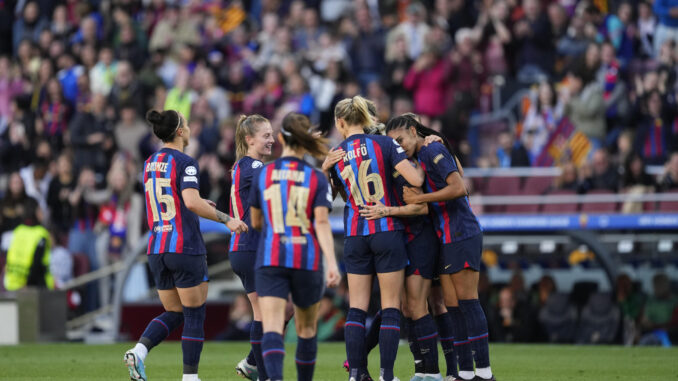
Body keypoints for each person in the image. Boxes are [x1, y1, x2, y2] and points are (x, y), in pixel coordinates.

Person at [124, 109, 247, 381]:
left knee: (174, 312)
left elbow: (174, 202)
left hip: (157, 247)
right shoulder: (186, 162)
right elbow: (190, 201)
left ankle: (139, 350)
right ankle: (190, 377)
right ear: (179, 131)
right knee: (193, 313)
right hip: (184, 246)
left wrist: (200, 206)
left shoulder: (149, 163)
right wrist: (227, 219)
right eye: (187, 124)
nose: (191, 128)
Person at [386, 115, 495, 381]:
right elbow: (458, 170)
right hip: (445, 235)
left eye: (400, 140)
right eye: (394, 145)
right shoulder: (424, 153)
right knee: (452, 305)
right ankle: (465, 373)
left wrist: (421, 197)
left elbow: (460, 187)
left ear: (414, 131)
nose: (399, 147)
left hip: (462, 231)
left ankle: (484, 372)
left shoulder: (432, 149)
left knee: (468, 302)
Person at [328, 95, 424, 381]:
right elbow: (417, 180)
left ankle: (356, 374)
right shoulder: (385, 144)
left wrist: (324, 168)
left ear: (340, 122)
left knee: (356, 308)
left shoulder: (336, 152)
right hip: (386, 229)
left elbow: (331, 197)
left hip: (355, 234)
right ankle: (386, 375)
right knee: (390, 306)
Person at [249, 112, 341, 381]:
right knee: (306, 329)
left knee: (273, 329)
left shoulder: (264, 174)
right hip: (307, 260)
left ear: (280, 138)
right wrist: (332, 264)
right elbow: (322, 223)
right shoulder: (316, 177)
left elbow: (255, 221)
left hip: (271, 257)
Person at [229, 114, 275, 381]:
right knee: (265, 314)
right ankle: (263, 373)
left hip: (244, 247)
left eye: (271, 134)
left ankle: (252, 362)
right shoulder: (255, 168)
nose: (271, 139)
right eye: (266, 135)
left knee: (284, 309)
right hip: (251, 247)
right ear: (249, 139)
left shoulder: (241, 166)